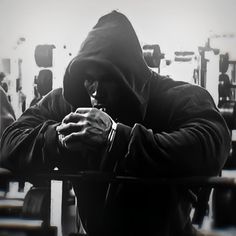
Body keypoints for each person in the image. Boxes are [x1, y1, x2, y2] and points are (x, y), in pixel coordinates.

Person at [0, 10, 231, 236]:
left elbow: (211, 144)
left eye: (108, 79)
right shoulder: (71, 101)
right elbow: (9, 141)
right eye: (90, 79)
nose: (96, 92)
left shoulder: (178, 97)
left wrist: (115, 137)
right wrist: (58, 138)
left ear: (130, 76)